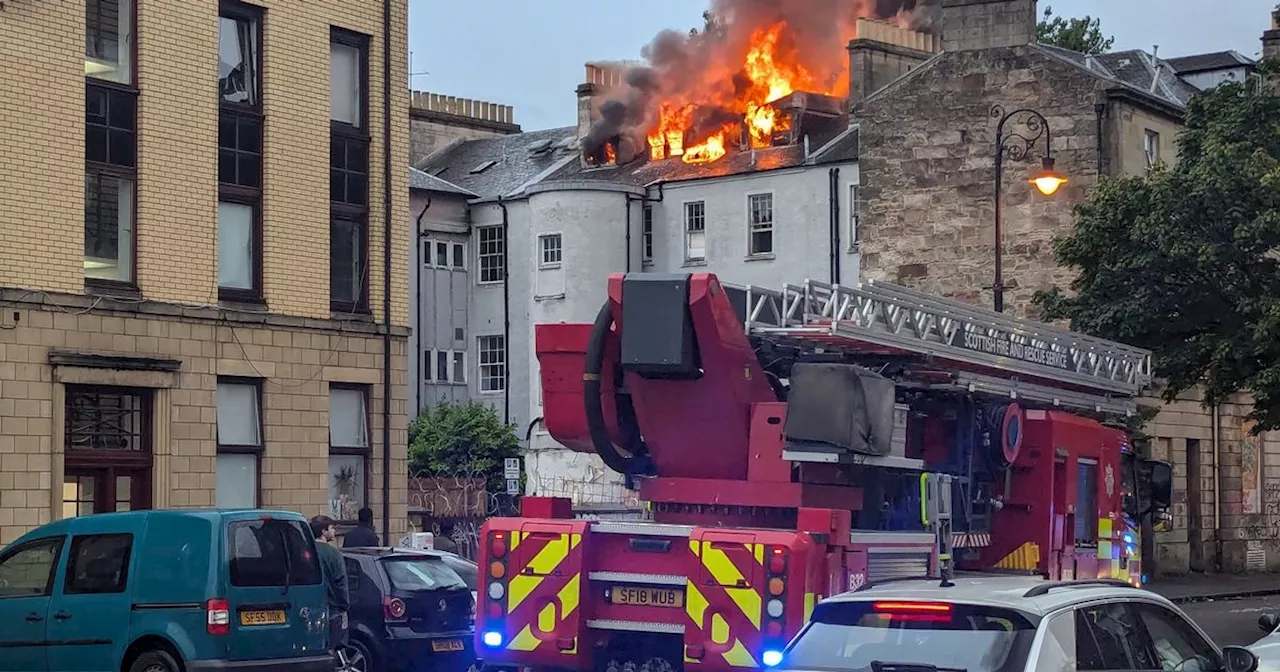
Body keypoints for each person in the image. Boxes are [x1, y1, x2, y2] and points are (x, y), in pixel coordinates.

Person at [310, 515, 350, 666]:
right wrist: (345, 604)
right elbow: (341, 582)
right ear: (323, 531)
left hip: (309, 609)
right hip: (333, 609)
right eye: (332, 528)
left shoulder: (305, 551)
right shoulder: (333, 554)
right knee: (334, 649)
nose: (334, 531)